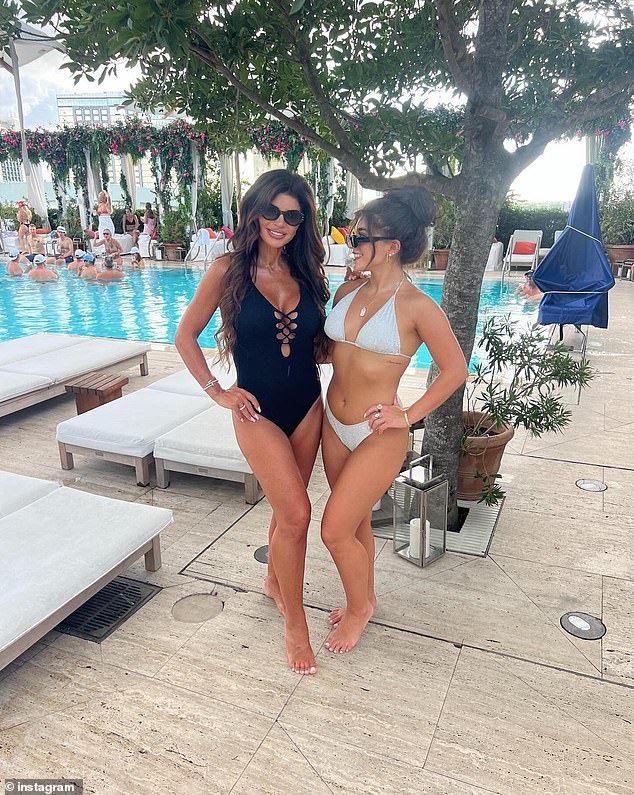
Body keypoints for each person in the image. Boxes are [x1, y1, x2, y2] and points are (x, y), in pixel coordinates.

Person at [175, 169, 328, 676]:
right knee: (299, 515)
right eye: (272, 211)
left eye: (292, 215)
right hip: (255, 411)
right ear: (253, 211)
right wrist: (217, 392)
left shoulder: (307, 274)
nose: (280, 222)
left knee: (288, 514)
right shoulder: (226, 270)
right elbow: (185, 336)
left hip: (307, 407)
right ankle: (295, 624)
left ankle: (272, 585)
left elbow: (319, 346)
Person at [321, 188, 469, 654]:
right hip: (332, 421)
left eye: (361, 236)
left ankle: (361, 609)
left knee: (333, 530)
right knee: (355, 521)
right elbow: (331, 350)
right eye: (352, 233)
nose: (352, 243)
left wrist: (407, 414)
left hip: (377, 432)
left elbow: (456, 369)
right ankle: (362, 597)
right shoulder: (348, 288)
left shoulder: (417, 305)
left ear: (392, 246)